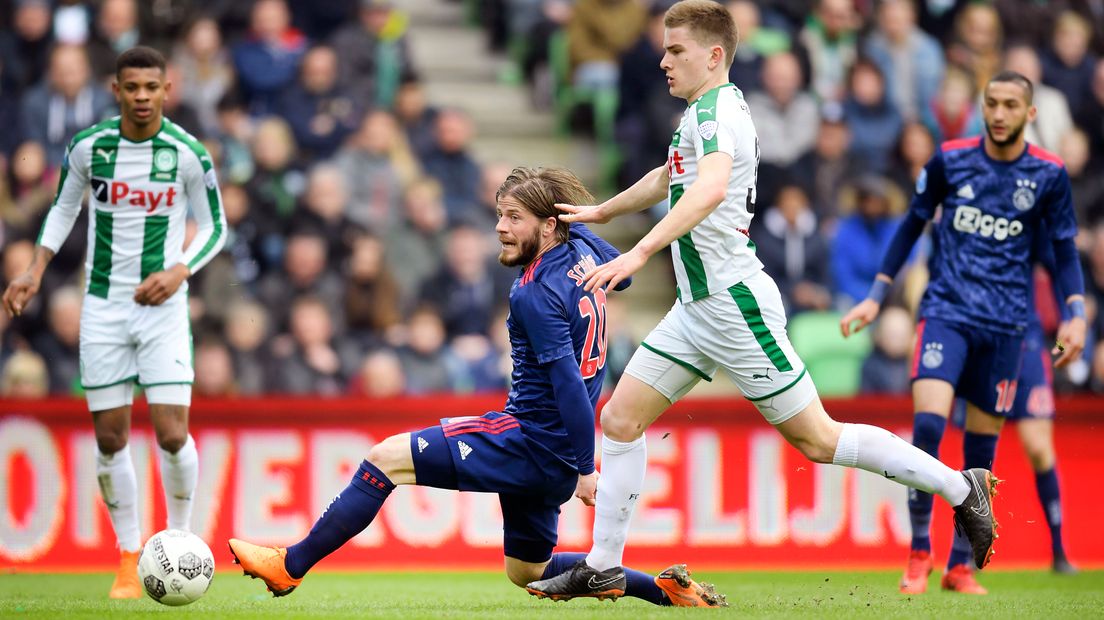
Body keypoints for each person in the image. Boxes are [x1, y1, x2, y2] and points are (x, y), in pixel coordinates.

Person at [528, 0, 999, 602]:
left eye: (676, 50)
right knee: (619, 420)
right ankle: (603, 564)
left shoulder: (718, 112)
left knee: (818, 440)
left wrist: (639, 252)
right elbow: (670, 176)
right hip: (697, 309)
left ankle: (963, 490)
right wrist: (602, 210)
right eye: (665, 49)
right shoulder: (701, 111)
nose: (664, 59)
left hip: (732, 303)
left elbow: (710, 188)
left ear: (714, 54)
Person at [228, 166, 726, 608]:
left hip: (530, 440)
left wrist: (583, 468)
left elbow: (569, 386)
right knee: (526, 572)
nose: (500, 228)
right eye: (500, 215)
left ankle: (289, 565)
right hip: (550, 452)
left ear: (548, 224)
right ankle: (662, 590)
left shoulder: (535, 292)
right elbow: (626, 280)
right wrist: (580, 227)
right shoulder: (583, 258)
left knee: (385, 458)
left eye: (513, 217)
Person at [839, 70, 1086, 594]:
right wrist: (876, 295)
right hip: (946, 312)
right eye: (991, 103)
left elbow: (1064, 250)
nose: (999, 114)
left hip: (1005, 328)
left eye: (1010, 105)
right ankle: (917, 553)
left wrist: (1077, 311)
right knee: (926, 430)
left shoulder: (1048, 174)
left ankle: (958, 565)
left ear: (1030, 114)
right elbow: (911, 225)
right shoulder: (951, 159)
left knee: (980, 454)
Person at [1, 46, 227, 599]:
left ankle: (179, 542)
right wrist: (33, 269)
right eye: (133, 88)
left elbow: (217, 228)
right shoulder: (89, 147)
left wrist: (180, 270)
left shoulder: (188, 153)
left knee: (173, 434)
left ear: (167, 90)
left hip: (164, 311)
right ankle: (129, 556)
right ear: (116, 90)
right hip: (102, 307)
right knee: (110, 436)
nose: (143, 97)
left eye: (152, 87)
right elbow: (62, 209)